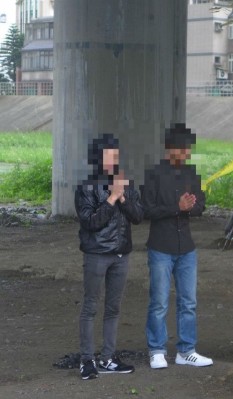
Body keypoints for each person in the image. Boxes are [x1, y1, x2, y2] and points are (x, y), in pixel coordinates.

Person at [142, 123, 213, 369]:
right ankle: (157, 349)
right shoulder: (152, 174)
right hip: (160, 247)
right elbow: (145, 210)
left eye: (188, 150)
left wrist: (191, 206)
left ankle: (186, 350)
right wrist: (177, 207)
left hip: (187, 249)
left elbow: (201, 205)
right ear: (169, 148)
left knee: (188, 301)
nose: (185, 154)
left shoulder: (192, 174)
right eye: (181, 150)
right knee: (159, 301)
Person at [75, 133, 143, 380]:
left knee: (113, 308)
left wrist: (122, 196)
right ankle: (87, 360)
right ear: (98, 157)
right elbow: (90, 222)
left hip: (121, 254)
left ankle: (108, 357)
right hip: (96, 254)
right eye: (109, 154)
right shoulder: (86, 187)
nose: (114, 159)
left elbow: (137, 216)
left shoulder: (126, 183)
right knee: (90, 306)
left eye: (116, 154)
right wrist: (112, 198)